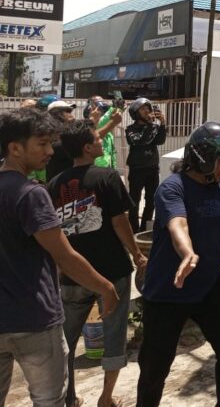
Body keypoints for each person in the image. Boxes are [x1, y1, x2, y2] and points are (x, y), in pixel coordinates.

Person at [136, 122, 220, 407]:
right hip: (166, 292)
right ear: (203, 157)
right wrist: (187, 254)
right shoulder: (172, 188)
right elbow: (178, 224)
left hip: (208, 287)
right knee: (155, 368)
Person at [0, 108, 119, 407]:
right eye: (41, 143)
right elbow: (64, 255)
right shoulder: (30, 194)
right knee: (49, 400)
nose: (50, 151)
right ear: (15, 148)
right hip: (33, 319)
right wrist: (105, 287)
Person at [47, 120, 148, 407]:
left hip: (72, 273)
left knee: (67, 339)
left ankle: (68, 397)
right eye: (96, 138)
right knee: (114, 334)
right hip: (111, 270)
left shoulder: (55, 184)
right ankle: (105, 398)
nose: (101, 141)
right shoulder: (107, 177)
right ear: (88, 147)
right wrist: (137, 254)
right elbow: (120, 221)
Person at [125, 97, 167, 232]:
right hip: (137, 169)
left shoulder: (154, 127)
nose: (147, 111)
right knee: (134, 202)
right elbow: (140, 141)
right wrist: (150, 125)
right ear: (136, 112)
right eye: (143, 109)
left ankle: (145, 229)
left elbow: (160, 141)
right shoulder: (131, 129)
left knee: (151, 201)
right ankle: (134, 230)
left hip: (152, 169)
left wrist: (163, 124)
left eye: (148, 108)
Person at [45, 100, 77, 182]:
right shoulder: (50, 135)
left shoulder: (70, 133)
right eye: (67, 111)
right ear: (57, 115)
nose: (72, 116)